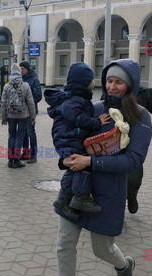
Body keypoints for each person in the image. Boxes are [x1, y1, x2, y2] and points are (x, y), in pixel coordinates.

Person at [49, 59, 152, 276]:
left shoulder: (141, 116)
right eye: (109, 81)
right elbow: (67, 134)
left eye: (119, 82)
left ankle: (123, 265)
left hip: (108, 192)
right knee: (64, 243)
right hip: (76, 186)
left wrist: (90, 162)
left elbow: (133, 160)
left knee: (101, 249)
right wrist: (66, 157)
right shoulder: (93, 108)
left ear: (130, 86)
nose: (112, 86)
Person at [45, 62, 110, 217]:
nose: (95, 82)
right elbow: (75, 117)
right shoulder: (74, 99)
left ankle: (63, 200)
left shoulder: (77, 98)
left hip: (69, 138)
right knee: (82, 165)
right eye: (92, 79)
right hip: (68, 138)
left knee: (73, 168)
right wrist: (97, 122)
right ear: (85, 82)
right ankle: (81, 197)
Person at [0, 63, 36, 168]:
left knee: (11, 136)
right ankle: (16, 159)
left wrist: (4, 117)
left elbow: (3, 102)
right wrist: (32, 116)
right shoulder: (25, 85)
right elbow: (30, 102)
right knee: (19, 136)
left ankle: (10, 160)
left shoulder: (7, 86)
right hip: (23, 116)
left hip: (11, 116)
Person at [19, 60, 42, 163]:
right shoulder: (21, 79)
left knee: (31, 132)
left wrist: (29, 103)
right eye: (20, 68)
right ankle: (26, 152)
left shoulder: (34, 79)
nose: (21, 70)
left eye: (22, 68)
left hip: (31, 110)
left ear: (27, 69)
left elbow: (38, 95)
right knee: (23, 133)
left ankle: (33, 155)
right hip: (22, 110)